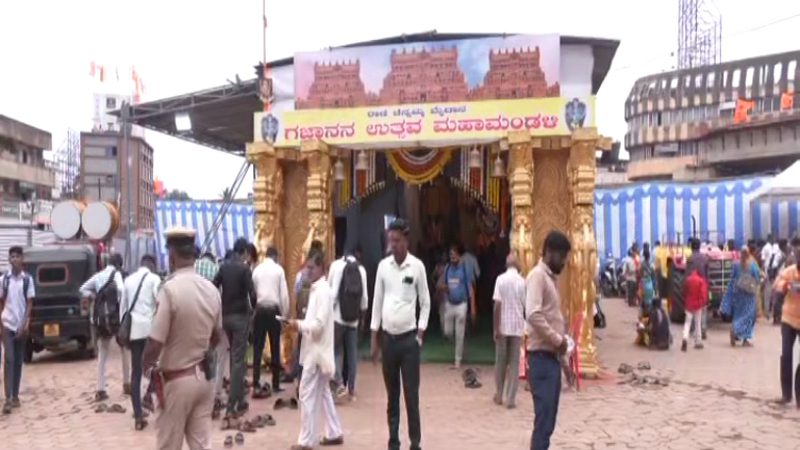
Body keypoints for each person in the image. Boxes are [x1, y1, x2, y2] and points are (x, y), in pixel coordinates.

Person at [142, 226, 223, 450]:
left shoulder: (169, 290)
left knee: (169, 445)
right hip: (204, 379)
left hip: (176, 381)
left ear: (172, 255)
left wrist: (145, 369)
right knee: (201, 445)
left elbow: (155, 342)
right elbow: (217, 335)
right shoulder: (211, 289)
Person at [371, 218, 431, 450]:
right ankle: (393, 441)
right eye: (390, 240)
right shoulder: (383, 267)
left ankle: (415, 441)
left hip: (409, 342)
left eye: (396, 240)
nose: (392, 245)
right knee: (392, 396)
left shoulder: (417, 267)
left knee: (411, 396)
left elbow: (425, 302)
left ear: (406, 240)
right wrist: (375, 337)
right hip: (389, 341)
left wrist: (420, 332)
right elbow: (377, 303)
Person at [287, 249, 344, 449]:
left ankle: (306, 441)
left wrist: (298, 325)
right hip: (318, 351)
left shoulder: (323, 291)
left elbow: (318, 326)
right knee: (322, 393)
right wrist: (298, 323)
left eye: (311, 267)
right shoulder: (319, 290)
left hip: (316, 352)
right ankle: (334, 431)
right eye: (306, 267)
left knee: (307, 394)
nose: (307, 271)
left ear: (321, 267)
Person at [526, 230, 572, 450]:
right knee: (543, 423)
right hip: (541, 360)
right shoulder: (537, 276)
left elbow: (553, 321)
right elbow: (533, 314)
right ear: (550, 253)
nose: (564, 262)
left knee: (548, 423)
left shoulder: (550, 279)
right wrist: (557, 340)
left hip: (551, 359)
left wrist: (564, 363)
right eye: (562, 256)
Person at [213, 238, 257, 417]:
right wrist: (253, 309)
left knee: (234, 359)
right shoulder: (245, 269)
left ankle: (239, 400)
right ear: (245, 252)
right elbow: (252, 294)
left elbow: (214, 286)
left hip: (226, 317)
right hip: (240, 317)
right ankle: (232, 404)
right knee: (238, 361)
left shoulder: (223, 267)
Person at [79, 252, 127, 402]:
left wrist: (94, 296)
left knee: (102, 354)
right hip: (114, 319)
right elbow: (122, 290)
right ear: (119, 265)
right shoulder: (117, 275)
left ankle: (100, 389)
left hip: (99, 320)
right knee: (125, 349)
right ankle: (127, 383)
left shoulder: (99, 276)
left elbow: (82, 289)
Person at [121, 254, 161, 430]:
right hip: (151, 330)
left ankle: (138, 415)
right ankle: (152, 400)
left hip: (134, 332)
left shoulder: (128, 281)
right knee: (157, 367)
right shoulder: (154, 278)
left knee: (136, 372)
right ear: (152, 265)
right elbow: (160, 303)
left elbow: (123, 309)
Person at [329, 246, 368, 401]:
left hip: (338, 317)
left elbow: (332, 294)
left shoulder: (336, 266)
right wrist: (362, 318)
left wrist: (329, 313)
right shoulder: (361, 270)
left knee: (337, 350)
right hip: (353, 319)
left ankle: (338, 383)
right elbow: (364, 298)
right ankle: (351, 390)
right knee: (352, 355)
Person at [251, 246, 289, 396]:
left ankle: (255, 381)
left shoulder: (257, 270)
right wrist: (284, 316)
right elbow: (284, 295)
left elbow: (252, 292)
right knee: (275, 346)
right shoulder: (279, 270)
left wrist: (253, 310)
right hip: (274, 309)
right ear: (276, 257)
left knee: (257, 347)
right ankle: (275, 383)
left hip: (260, 309)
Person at [1, 246, 35, 415]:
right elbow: (1, 302)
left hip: (21, 326)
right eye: (12, 256)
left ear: (22, 259)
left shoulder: (27, 280)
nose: (14, 259)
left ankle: (15, 396)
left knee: (18, 362)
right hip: (7, 324)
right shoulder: (3, 280)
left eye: (17, 256)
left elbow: (29, 304)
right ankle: (7, 399)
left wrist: (25, 323)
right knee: (9, 359)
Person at [492, 253, 526, 409]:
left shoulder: (500, 279)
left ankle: (499, 394)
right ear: (517, 265)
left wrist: (496, 328)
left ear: (506, 265)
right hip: (517, 327)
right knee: (514, 363)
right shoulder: (522, 282)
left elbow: (497, 305)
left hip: (503, 327)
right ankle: (511, 398)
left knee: (500, 362)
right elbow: (526, 306)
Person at [440, 245, 476, 369]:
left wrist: (473, 307)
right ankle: (458, 346)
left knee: (459, 333)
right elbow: (442, 284)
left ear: (459, 256)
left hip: (462, 304)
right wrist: (444, 288)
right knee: (447, 331)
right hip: (449, 304)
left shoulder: (465, 269)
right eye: (451, 255)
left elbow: (470, 288)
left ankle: (457, 361)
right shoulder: (447, 268)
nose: (452, 257)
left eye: (454, 255)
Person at [774, 237, 800, 406]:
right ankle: (786, 395)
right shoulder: (790, 271)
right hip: (789, 319)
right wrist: (787, 286)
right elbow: (777, 283)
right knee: (786, 356)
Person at [720, 246, 760, 347]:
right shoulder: (752, 266)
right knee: (749, 316)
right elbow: (757, 278)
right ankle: (743, 337)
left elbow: (732, 279)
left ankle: (735, 329)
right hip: (749, 295)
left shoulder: (736, 265)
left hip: (738, 294)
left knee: (738, 314)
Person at [685, 238, 710, 339]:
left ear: (691, 246)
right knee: (703, 307)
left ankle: (692, 330)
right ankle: (703, 329)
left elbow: (687, 274)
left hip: (692, 284)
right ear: (699, 246)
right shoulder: (705, 258)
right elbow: (707, 273)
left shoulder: (690, 259)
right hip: (702, 284)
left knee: (691, 307)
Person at [681, 269, 708, 352]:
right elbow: (703, 293)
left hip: (689, 305)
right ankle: (698, 342)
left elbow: (684, 291)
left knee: (687, 323)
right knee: (697, 323)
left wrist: (685, 300)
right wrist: (703, 303)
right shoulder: (701, 281)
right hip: (698, 305)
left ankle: (685, 338)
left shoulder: (688, 280)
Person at [640, 247, 656, 314]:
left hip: (643, 283)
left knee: (643, 300)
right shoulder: (651, 265)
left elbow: (640, 273)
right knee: (650, 299)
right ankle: (648, 314)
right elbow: (653, 275)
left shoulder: (642, 265)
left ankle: (644, 314)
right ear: (649, 256)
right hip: (649, 283)